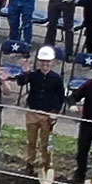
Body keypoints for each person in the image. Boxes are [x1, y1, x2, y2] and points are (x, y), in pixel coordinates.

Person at [17, 47, 65, 177]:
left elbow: (61, 97)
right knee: (31, 141)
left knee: (46, 143)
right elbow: (20, 81)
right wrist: (25, 72)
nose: (45, 64)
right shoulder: (33, 75)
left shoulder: (56, 78)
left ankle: (46, 164)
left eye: (48, 61)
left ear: (53, 62)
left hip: (47, 115)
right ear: (39, 62)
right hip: (32, 112)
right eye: (43, 61)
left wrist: (55, 112)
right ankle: (30, 163)